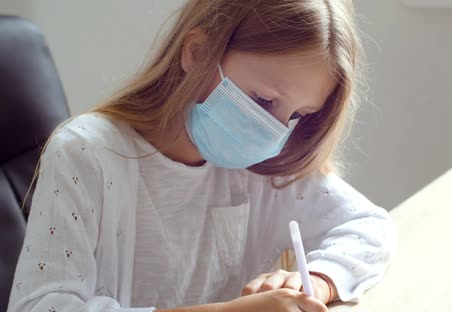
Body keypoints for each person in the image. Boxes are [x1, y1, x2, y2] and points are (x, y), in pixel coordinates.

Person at [8, 1, 394, 311]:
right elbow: (42, 306)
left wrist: (318, 279)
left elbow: (369, 227)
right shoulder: (87, 154)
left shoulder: (264, 168)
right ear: (198, 52)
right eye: (262, 100)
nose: (274, 132)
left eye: (297, 115)